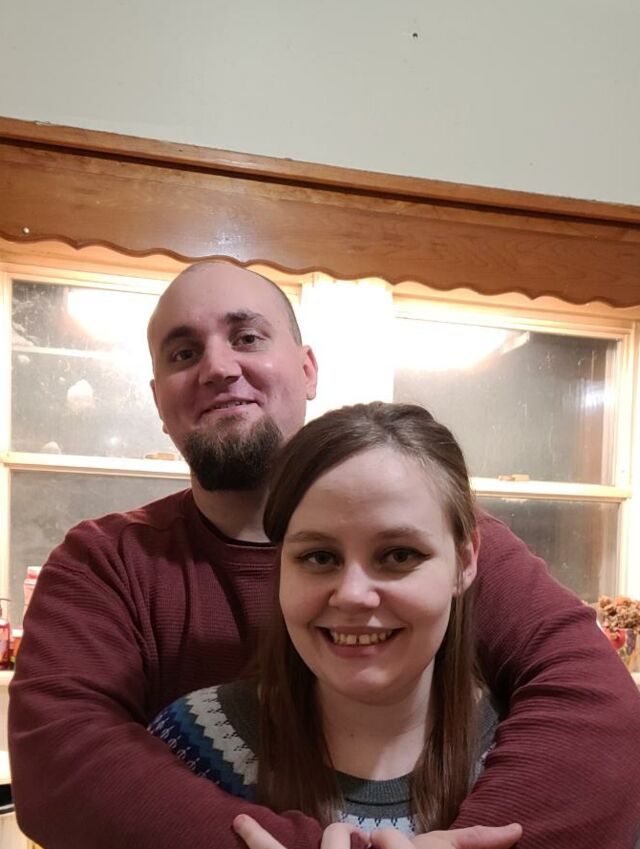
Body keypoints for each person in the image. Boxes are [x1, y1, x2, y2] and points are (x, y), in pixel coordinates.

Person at [8, 262, 640, 849]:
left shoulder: (447, 540)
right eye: (183, 353)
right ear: (157, 399)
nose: (218, 367)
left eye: (248, 337)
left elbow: (595, 702)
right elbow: (61, 760)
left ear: (308, 368)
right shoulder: (105, 564)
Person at [149, 401, 524, 849]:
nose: (352, 594)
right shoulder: (189, 743)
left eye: (399, 555)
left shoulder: (524, 754)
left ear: (465, 561)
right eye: (319, 557)